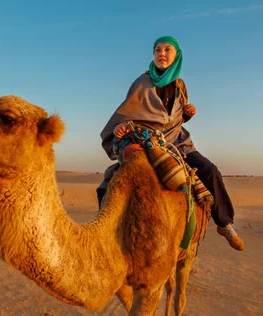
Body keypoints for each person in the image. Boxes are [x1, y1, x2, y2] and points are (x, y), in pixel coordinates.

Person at [97, 35, 245, 251]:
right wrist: (123, 125)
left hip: (178, 142)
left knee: (210, 170)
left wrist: (186, 114)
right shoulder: (141, 83)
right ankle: (106, 232)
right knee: (110, 183)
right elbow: (128, 113)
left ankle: (224, 223)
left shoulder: (180, 85)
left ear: (177, 56)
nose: (162, 54)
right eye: (157, 50)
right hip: (148, 141)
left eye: (167, 50)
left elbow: (171, 116)